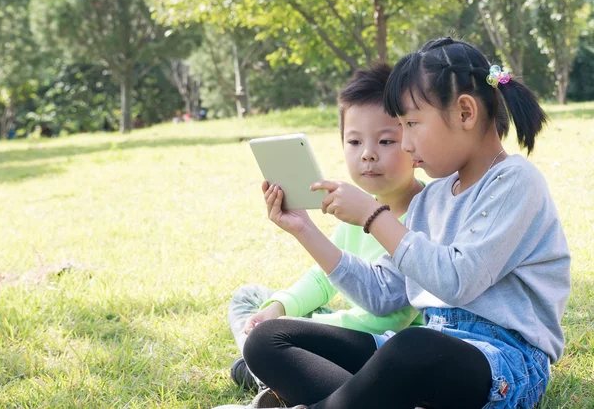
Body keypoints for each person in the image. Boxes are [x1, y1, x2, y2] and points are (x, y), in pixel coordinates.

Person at [215, 38, 571, 409]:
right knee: (268, 340)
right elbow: (384, 294)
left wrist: (373, 215)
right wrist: (303, 227)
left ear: (465, 113)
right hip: (425, 359)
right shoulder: (432, 198)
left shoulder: (514, 180)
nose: (405, 144)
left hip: (503, 366)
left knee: (413, 347)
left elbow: (459, 280)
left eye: (412, 124)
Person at [227, 63, 426, 400]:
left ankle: (270, 376)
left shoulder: (425, 214)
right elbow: (323, 278)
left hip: (383, 347)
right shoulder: (360, 205)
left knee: (269, 343)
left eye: (386, 140)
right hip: (344, 330)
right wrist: (281, 307)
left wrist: (314, 327)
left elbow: (387, 314)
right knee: (249, 298)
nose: (367, 154)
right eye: (354, 141)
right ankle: (272, 370)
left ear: (413, 139)